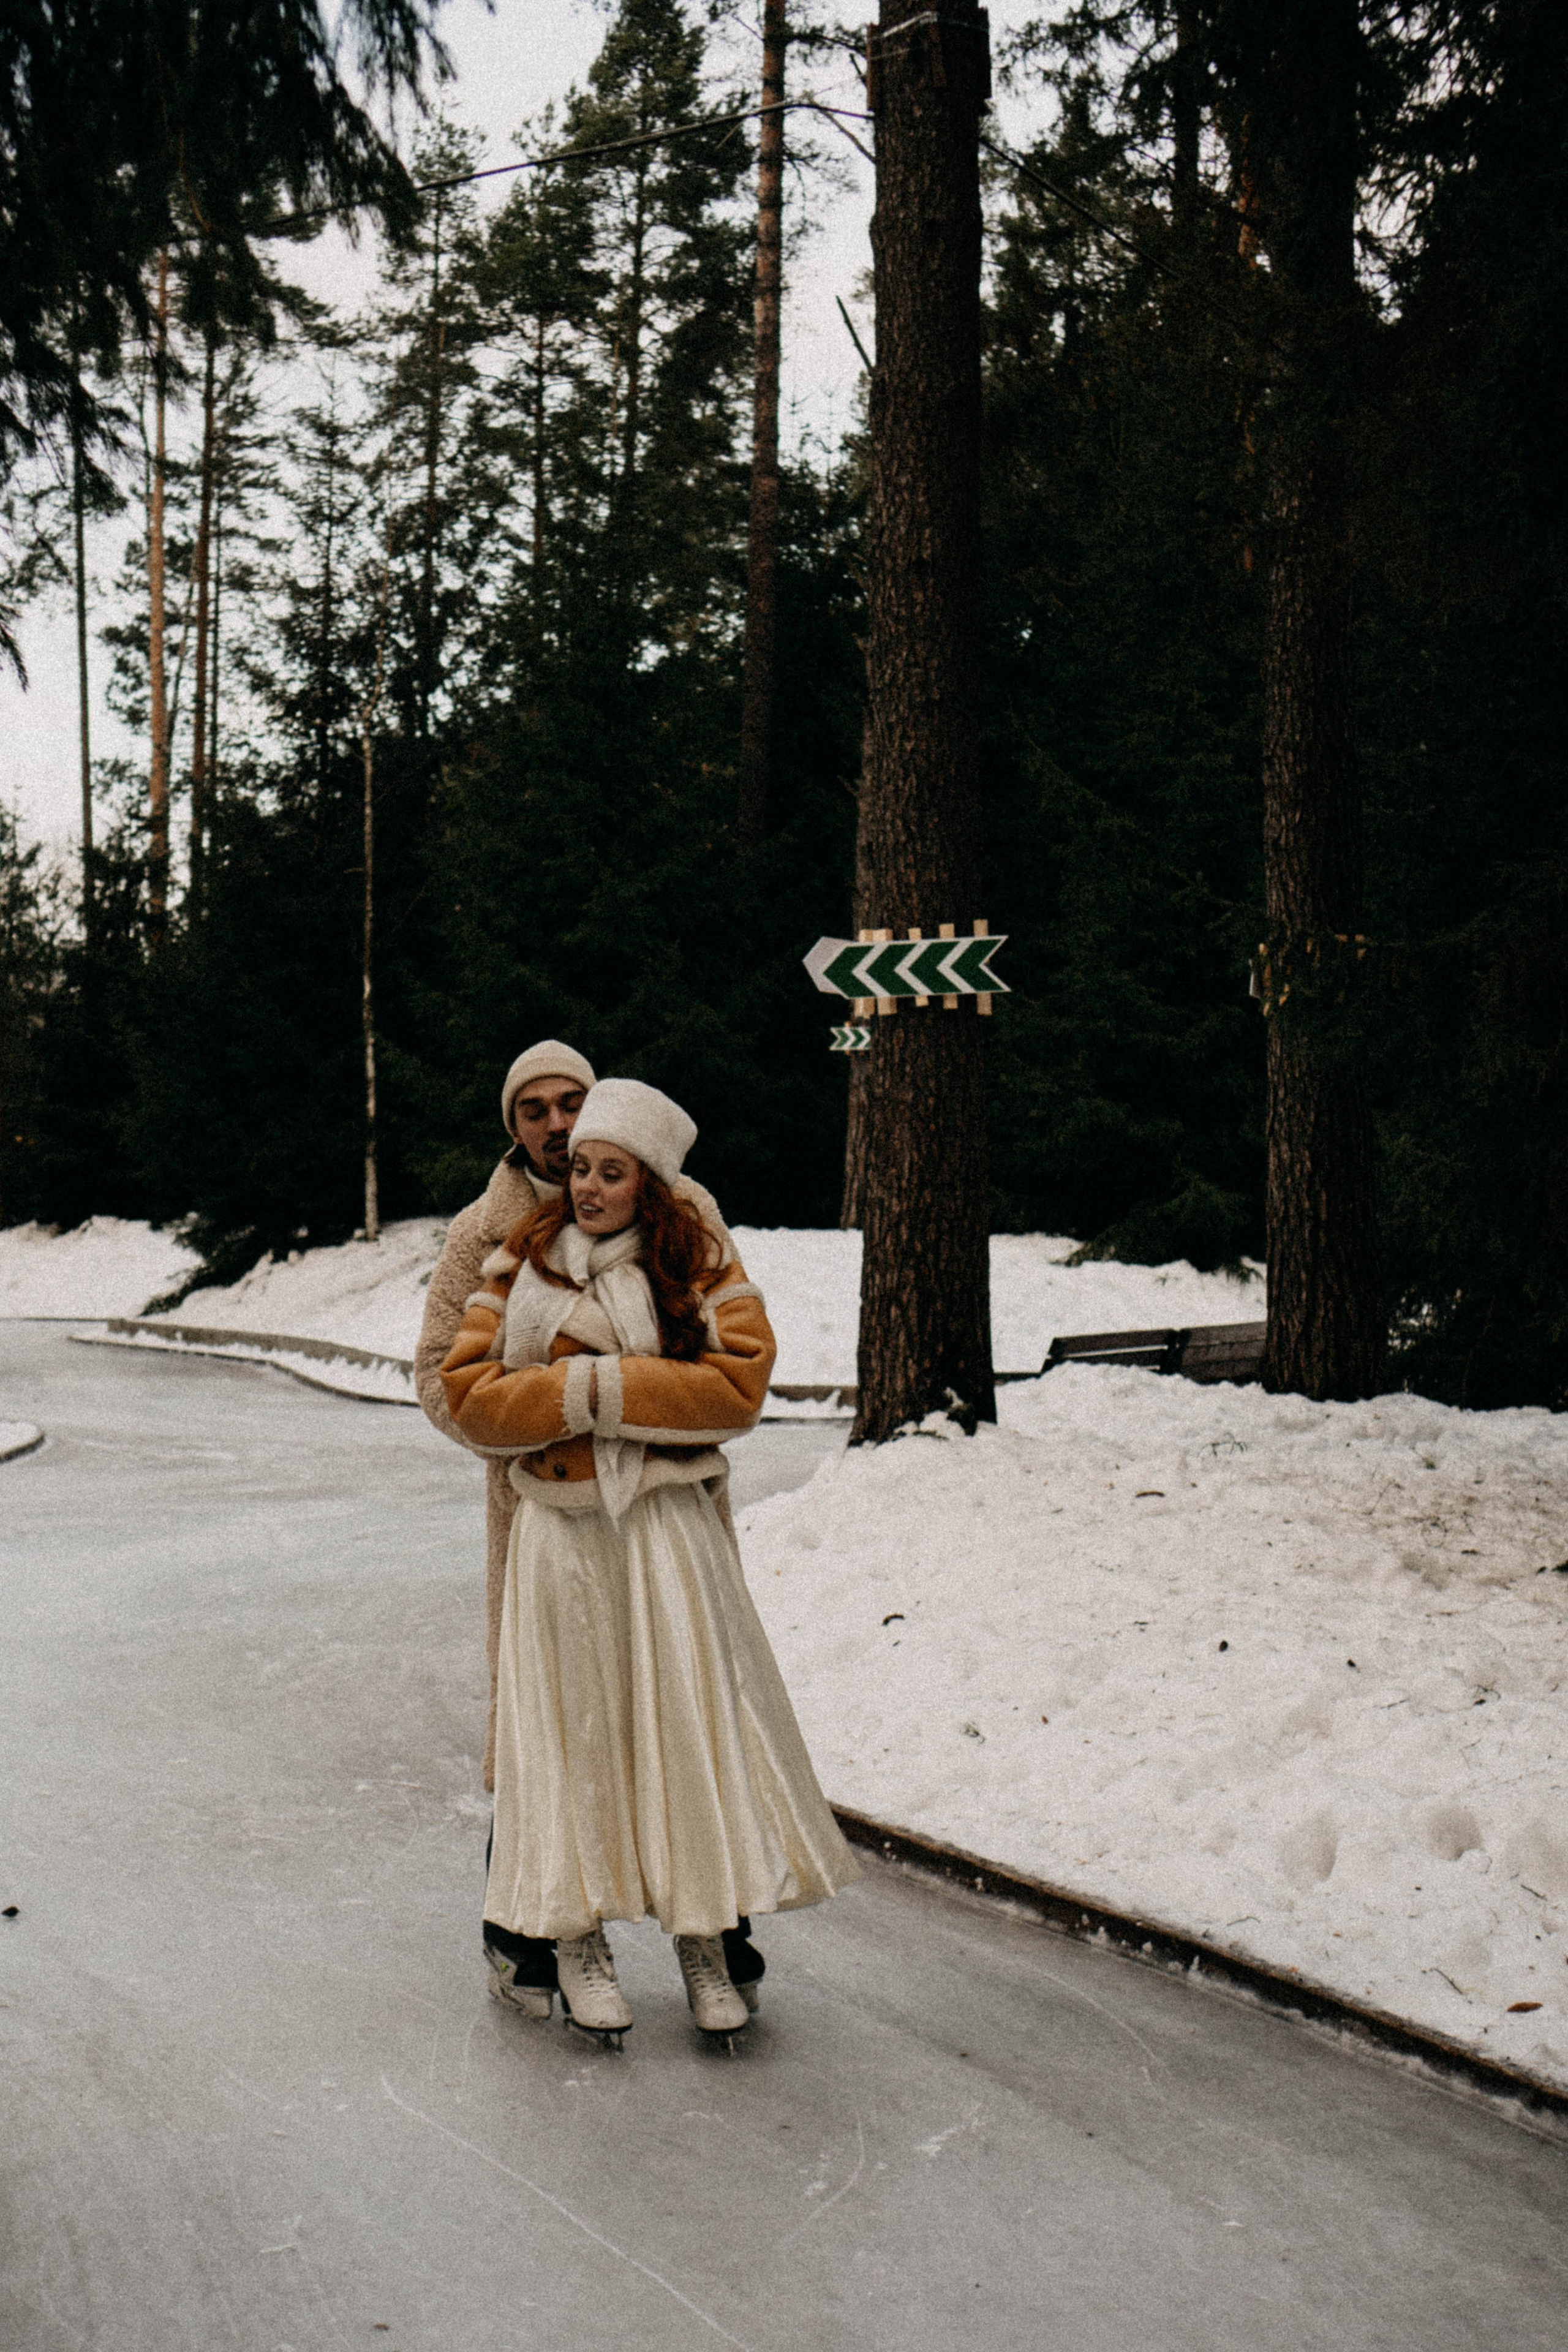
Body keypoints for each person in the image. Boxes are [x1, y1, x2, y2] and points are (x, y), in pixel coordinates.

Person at [440, 1078, 859, 2044]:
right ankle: (576, 1943)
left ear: (651, 1182)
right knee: (569, 1738)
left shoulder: (695, 1257)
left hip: (665, 1534)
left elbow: (740, 1385)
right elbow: (467, 1390)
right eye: (578, 1167)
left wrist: (597, 1385)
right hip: (559, 1534)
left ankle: (705, 1942)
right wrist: (575, 1401)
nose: (584, 1185)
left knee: (683, 1729)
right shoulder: (518, 1256)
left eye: (608, 1171)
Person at [414, 1041, 742, 2016]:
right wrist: (541, 1425)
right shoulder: (489, 1233)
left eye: (573, 1105)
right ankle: (525, 1938)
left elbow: (734, 1360)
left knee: (678, 1707)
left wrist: (635, 1407)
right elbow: (441, 1374)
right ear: (513, 1127)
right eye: (535, 1112)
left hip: (670, 1514)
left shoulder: (684, 1208)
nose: (558, 1126)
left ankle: (723, 1937)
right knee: (550, 1719)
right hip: (545, 1518)